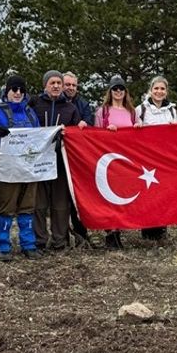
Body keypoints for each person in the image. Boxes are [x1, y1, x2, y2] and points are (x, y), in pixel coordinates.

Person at [29, 70, 86, 251]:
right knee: (39, 204)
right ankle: (39, 241)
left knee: (60, 204)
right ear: (45, 85)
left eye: (58, 83)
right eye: (52, 83)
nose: (56, 86)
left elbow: (78, 134)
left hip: (61, 163)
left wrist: (80, 128)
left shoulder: (70, 108)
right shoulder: (34, 104)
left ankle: (59, 241)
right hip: (38, 163)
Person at [0, 74, 42, 260]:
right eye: (14, 89)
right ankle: (3, 246)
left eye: (21, 90)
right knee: (6, 207)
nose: (18, 93)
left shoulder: (30, 112)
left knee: (27, 206)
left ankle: (28, 244)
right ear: (7, 91)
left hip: (28, 167)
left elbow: (38, 136)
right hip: (8, 168)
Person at [94, 75, 137, 249]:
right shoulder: (102, 111)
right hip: (109, 159)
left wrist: (138, 129)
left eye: (121, 88)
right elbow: (94, 136)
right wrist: (106, 132)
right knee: (109, 196)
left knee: (122, 194)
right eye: (115, 89)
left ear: (125, 92)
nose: (118, 92)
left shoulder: (132, 112)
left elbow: (139, 133)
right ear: (110, 91)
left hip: (126, 160)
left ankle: (119, 230)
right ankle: (110, 233)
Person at [135, 75, 177, 241]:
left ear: (166, 92)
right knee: (148, 193)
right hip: (146, 159)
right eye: (156, 88)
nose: (159, 92)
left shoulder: (172, 111)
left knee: (162, 193)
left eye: (162, 89)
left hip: (165, 159)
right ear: (150, 90)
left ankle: (161, 229)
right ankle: (147, 230)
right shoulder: (141, 109)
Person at [62, 71, 98, 248]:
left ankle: (81, 234)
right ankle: (60, 237)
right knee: (60, 201)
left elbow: (90, 121)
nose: (70, 88)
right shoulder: (53, 102)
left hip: (78, 159)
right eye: (67, 84)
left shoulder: (83, 104)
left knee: (79, 196)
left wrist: (85, 123)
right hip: (56, 157)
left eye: (73, 85)